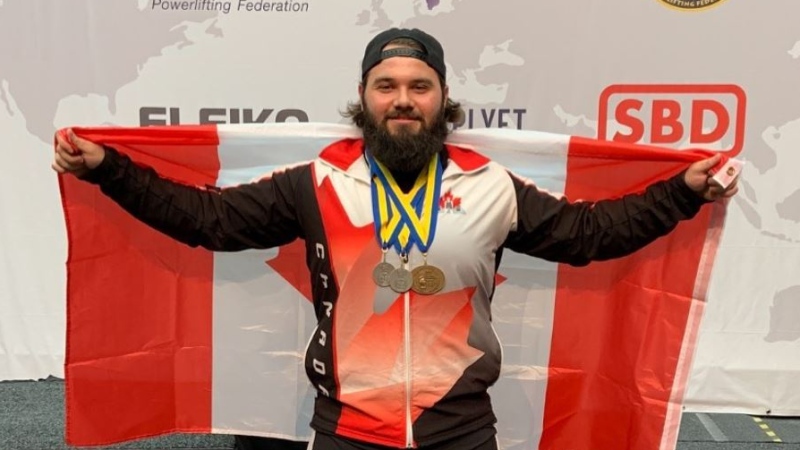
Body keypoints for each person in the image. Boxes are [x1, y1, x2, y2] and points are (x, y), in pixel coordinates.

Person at [52, 28, 738, 450]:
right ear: (364, 96)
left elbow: (590, 233)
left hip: (461, 430)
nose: (402, 99)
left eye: (419, 85)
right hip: (347, 430)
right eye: (387, 85)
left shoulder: (491, 185)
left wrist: (684, 192)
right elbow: (208, 221)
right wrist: (110, 169)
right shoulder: (315, 183)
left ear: (443, 98)